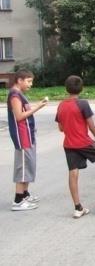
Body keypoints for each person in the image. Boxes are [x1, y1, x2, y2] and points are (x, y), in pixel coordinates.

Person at [55, 75, 95, 218]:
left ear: (66, 89)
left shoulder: (61, 105)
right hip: (83, 142)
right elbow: (91, 125)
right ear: (81, 88)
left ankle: (78, 208)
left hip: (69, 144)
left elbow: (61, 128)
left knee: (73, 173)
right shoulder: (83, 103)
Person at [7, 69, 47, 211]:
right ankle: (18, 200)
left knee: (29, 165)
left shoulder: (19, 94)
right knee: (23, 167)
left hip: (28, 135)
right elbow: (19, 116)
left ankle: (24, 194)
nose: (31, 84)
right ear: (20, 80)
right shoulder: (14, 95)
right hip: (22, 136)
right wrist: (38, 107)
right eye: (28, 81)